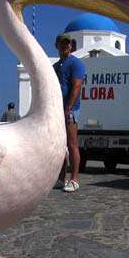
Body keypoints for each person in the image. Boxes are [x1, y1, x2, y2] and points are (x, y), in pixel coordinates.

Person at [53, 33, 85, 192]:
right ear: (57, 45)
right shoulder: (56, 66)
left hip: (70, 109)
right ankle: (60, 178)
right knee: (60, 145)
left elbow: (77, 86)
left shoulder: (76, 64)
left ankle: (74, 179)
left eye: (68, 43)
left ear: (71, 46)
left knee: (72, 144)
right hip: (57, 110)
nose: (66, 46)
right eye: (62, 43)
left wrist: (69, 108)